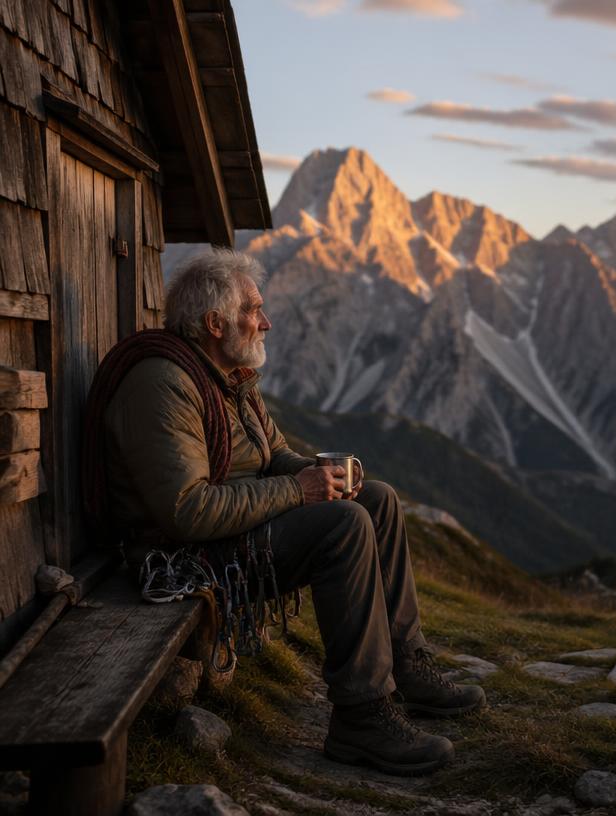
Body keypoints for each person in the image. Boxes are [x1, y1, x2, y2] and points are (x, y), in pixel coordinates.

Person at [92, 248, 485, 775]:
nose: (266, 322)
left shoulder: (228, 377)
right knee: (342, 526)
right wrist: (300, 492)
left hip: (234, 530)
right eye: (254, 311)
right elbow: (186, 512)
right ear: (215, 323)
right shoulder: (163, 384)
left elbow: (274, 456)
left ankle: (406, 665)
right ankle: (361, 717)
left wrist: (324, 476)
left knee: (377, 500)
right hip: (185, 558)